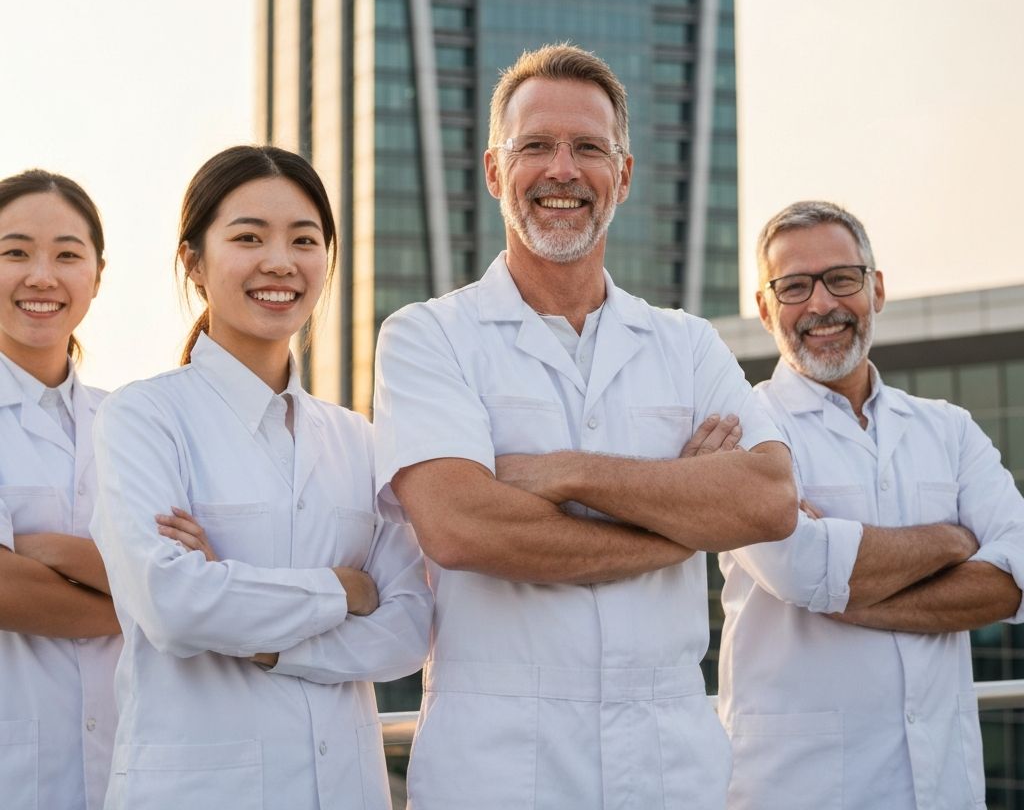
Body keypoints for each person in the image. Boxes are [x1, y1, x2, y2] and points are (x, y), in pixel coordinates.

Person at [373, 43, 797, 810]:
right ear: (497, 172)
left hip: (671, 766)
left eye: (588, 149)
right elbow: (463, 528)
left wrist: (568, 472)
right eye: (536, 146)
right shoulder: (427, 336)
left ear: (623, 176)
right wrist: (683, 516)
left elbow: (767, 500)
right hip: (498, 769)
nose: (562, 170)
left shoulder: (687, 342)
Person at [91, 145, 431, 810]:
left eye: (304, 240)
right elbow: (175, 606)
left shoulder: (358, 441)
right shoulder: (142, 417)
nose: (280, 261)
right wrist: (343, 588)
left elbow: (408, 631)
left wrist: (270, 645)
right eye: (248, 237)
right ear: (193, 261)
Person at [718, 200, 1024, 810]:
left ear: (876, 288)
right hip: (799, 790)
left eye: (842, 278)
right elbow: (803, 572)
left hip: (944, 789)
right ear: (763, 308)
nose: (822, 305)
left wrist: (847, 585)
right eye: (794, 286)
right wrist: (953, 540)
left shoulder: (950, 429)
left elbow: (1014, 582)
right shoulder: (742, 431)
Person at [0, 169, 121, 810]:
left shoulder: (132, 422)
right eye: (15, 252)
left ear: (97, 275)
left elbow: (192, 565)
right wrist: (157, 612)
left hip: (129, 772)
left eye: (67, 255)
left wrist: (54, 556)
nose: (41, 276)